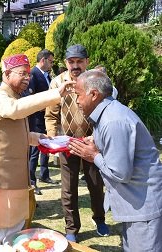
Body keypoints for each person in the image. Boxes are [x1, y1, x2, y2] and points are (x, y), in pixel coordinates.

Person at [0, 54, 75, 251]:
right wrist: (55, 94)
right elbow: (14, 110)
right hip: (2, 176)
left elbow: (12, 132)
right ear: (7, 74)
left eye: (28, 73)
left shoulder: (14, 96)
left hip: (15, 174)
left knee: (15, 224)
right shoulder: (0, 95)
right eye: (22, 74)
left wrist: (40, 138)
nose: (27, 78)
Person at [68, 69, 162, 252]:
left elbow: (120, 172)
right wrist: (95, 142)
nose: (77, 101)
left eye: (79, 95)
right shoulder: (108, 114)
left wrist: (93, 156)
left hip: (143, 208)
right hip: (136, 204)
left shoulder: (113, 121)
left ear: (94, 94)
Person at [45, 44, 109, 242]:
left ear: (87, 62)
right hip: (68, 144)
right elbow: (51, 114)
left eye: (79, 62)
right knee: (68, 189)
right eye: (71, 62)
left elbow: (106, 112)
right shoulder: (57, 83)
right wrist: (52, 140)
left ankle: (100, 220)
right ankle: (72, 228)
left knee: (96, 185)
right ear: (65, 63)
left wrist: (99, 139)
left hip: (91, 143)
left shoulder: (94, 81)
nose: (75, 66)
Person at [23, 49, 57, 195]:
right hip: (36, 118)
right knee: (34, 152)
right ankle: (32, 181)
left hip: (45, 118)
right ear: (42, 60)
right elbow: (31, 98)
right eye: (50, 61)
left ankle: (44, 174)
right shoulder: (34, 75)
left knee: (46, 146)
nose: (52, 64)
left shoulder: (46, 75)